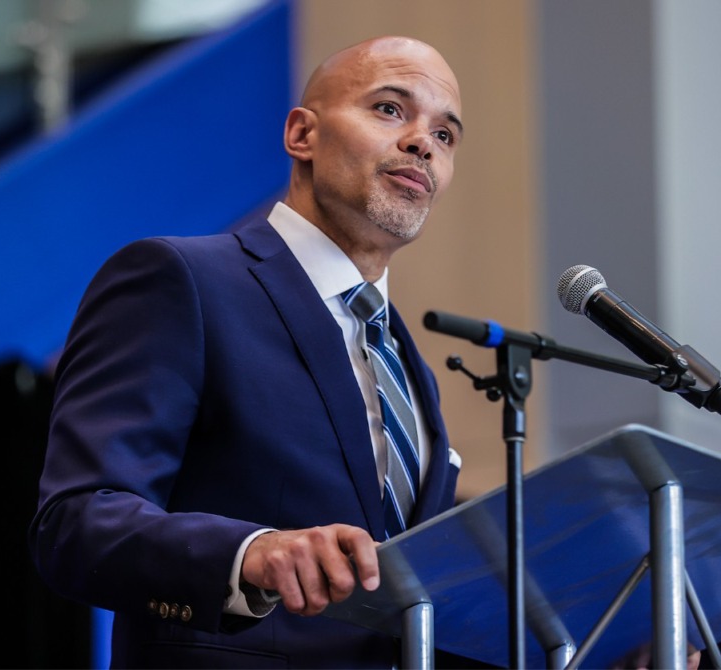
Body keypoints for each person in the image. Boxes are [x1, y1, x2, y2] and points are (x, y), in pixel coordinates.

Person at [29, 35, 464, 669]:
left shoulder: (407, 364)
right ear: (302, 136)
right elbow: (74, 524)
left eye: (446, 136)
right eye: (391, 109)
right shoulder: (182, 280)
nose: (423, 143)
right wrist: (251, 553)